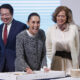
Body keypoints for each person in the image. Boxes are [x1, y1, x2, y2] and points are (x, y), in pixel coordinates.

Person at [46, 6, 79, 75]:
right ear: (55, 17)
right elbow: (48, 48)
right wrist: (53, 58)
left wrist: (76, 62)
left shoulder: (74, 28)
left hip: (70, 62)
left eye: (63, 16)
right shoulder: (50, 30)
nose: (60, 18)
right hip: (56, 63)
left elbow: (77, 47)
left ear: (67, 17)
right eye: (58, 16)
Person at [0, 4, 27, 72]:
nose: (4, 17)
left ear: (12, 14)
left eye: (6, 14)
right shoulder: (0, 27)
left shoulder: (21, 26)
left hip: (15, 66)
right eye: (2, 15)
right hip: (1, 67)